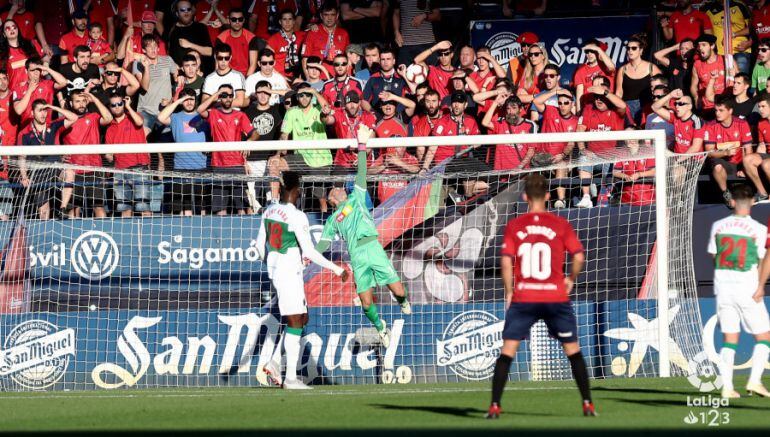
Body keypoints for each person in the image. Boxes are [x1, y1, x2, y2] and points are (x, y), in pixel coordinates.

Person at [486, 173, 594, 419]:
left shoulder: (515, 225)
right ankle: (587, 403)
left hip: (525, 297)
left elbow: (506, 261)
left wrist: (509, 291)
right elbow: (579, 256)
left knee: (508, 350)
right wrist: (570, 278)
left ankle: (494, 405)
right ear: (547, 195)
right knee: (572, 349)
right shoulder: (560, 224)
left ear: (525, 197)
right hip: (555, 296)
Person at [315, 125, 411, 348]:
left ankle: (403, 301)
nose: (340, 188)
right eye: (335, 189)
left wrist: (362, 145)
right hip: (357, 255)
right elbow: (323, 244)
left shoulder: (356, 197)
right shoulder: (332, 220)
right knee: (366, 302)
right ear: (331, 199)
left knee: (398, 291)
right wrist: (308, 257)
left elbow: (361, 171)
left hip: (372, 247)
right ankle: (380, 327)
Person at [256, 171, 349, 390]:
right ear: (296, 190)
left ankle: (274, 362)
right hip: (289, 273)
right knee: (296, 321)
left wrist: (272, 263)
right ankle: (290, 379)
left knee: (302, 317)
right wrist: (336, 269)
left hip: (279, 271)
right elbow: (310, 251)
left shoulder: (269, 211)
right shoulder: (297, 216)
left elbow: (260, 247)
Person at [710, 184, 770, 398]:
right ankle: (754, 381)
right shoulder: (758, 229)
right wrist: (760, 286)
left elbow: (714, 255)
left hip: (724, 288)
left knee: (729, 339)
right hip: (748, 288)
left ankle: (727, 387)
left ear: (732, 202)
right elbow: (763, 259)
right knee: (764, 337)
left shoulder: (718, 225)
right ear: (753, 201)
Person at [197, 84, 260, 215]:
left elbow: (255, 133)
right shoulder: (213, 114)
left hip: (237, 165)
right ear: (220, 97)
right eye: (224, 95)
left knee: (243, 208)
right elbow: (200, 109)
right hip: (219, 165)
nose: (228, 98)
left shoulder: (240, 115)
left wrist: (249, 142)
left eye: (230, 95)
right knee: (220, 209)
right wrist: (216, 94)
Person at [17, 100, 79, 220]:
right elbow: (21, 157)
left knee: (69, 172)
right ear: (32, 113)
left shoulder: (53, 125)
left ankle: (62, 208)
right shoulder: (24, 133)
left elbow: (74, 118)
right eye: (40, 110)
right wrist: (24, 176)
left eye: (45, 110)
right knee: (44, 213)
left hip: (54, 168)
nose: (43, 113)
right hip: (37, 173)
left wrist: (53, 107)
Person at [575, 78, 629, 208]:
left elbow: (623, 106)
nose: (598, 100)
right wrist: (582, 149)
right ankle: (586, 197)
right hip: (592, 155)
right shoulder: (589, 108)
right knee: (582, 158)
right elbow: (580, 130)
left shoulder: (616, 110)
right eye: (596, 97)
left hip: (610, 156)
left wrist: (605, 92)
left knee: (612, 163)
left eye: (602, 97)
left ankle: (603, 198)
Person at [105, 94, 160, 218]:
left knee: (143, 208)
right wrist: (108, 156)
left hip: (139, 168)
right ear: (109, 108)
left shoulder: (134, 117)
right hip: (120, 171)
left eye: (120, 103)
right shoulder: (110, 129)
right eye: (113, 105)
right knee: (124, 209)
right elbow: (109, 155)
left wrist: (129, 107)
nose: (117, 107)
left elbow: (140, 122)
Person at [60, 90, 113, 219]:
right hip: (74, 171)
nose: (81, 104)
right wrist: (60, 156)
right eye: (77, 101)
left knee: (98, 207)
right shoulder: (65, 121)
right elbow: (54, 140)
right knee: (73, 209)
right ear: (71, 103)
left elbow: (109, 118)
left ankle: (103, 231)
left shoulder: (93, 117)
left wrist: (94, 99)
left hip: (94, 169)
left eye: (84, 101)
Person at [157, 89, 210, 215]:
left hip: (200, 166)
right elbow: (160, 117)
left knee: (201, 207)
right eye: (186, 100)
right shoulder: (175, 117)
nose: (189, 102)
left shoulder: (202, 116)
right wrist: (178, 101)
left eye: (192, 99)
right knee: (182, 208)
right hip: (181, 167)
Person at [703, 96, 753, 208]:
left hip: (739, 163)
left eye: (721, 110)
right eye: (716, 110)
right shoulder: (710, 126)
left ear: (730, 111)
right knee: (717, 166)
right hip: (722, 162)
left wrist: (746, 168)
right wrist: (725, 153)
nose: (717, 113)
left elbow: (748, 149)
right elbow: (709, 152)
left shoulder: (742, 124)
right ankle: (725, 193)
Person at [534, 89, 579, 208]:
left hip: (560, 158)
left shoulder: (576, 121)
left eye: (566, 103)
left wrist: (562, 155)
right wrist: (556, 91)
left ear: (572, 104)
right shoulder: (551, 111)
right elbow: (536, 101)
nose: (562, 106)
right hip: (542, 157)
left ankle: (561, 200)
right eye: (560, 103)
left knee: (562, 164)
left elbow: (571, 144)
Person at [133, 35, 179, 131]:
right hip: (146, 111)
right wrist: (146, 67)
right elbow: (144, 87)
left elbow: (177, 79)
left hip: (165, 111)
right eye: (149, 46)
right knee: (143, 138)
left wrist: (172, 100)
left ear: (158, 48)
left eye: (155, 46)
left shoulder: (167, 60)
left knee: (166, 139)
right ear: (144, 50)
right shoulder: (137, 63)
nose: (153, 49)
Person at [615, 34, 660, 126]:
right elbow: (618, 93)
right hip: (628, 109)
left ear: (641, 50)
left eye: (634, 48)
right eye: (628, 48)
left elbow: (661, 90)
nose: (630, 51)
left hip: (647, 108)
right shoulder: (622, 70)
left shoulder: (652, 68)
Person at [302, 3, 349, 78]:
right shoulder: (313, 33)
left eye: (332, 15)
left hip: (339, 79)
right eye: (326, 15)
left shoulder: (344, 33)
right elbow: (305, 59)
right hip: (319, 79)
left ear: (337, 16)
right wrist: (310, 81)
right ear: (321, 16)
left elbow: (348, 58)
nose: (329, 18)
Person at [392, 0, 440, 66]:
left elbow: (437, 15)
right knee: (405, 71)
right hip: (406, 43)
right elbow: (396, 13)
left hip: (427, 43)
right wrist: (396, 32)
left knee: (431, 71)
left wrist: (424, 16)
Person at [573, 39, 616, 112]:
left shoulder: (605, 66)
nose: (589, 54)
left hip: (607, 107)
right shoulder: (580, 72)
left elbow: (612, 67)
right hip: (590, 110)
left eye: (592, 51)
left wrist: (598, 49)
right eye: (587, 51)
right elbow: (579, 96)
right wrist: (579, 113)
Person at [691, 33, 725, 118]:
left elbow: (739, 78)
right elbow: (693, 85)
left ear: (712, 46)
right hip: (707, 108)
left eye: (704, 45)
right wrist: (696, 98)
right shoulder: (697, 64)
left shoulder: (725, 60)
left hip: (724, 106)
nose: (700, 48)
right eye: (699, 45)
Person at [743, 95, 770, 202]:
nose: (760, 109)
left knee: (766, 164)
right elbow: (762, 147)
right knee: (747, 159)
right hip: (768, 155)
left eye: (763, 106)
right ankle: (763, 193)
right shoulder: (761, 123)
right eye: (759, 107)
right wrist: (746, 168)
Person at [202, 43, 247, 108]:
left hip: (233, 112)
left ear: (230, 58)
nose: (223, 61)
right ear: (215, 57)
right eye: (220, 58)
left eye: (226, 58)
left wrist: (215, 103)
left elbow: (240, 102)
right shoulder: (209, 78)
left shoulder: (238, 76)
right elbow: (203, 102)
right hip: (215, 113)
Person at [265, 9, 305, 80]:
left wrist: (314, 27)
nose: (287, 22)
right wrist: (281, 78)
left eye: (290, 19)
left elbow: (314, 34)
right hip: (276, 76)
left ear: (294, 21)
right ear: (280, 22)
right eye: (284, 19)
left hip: (294, 76)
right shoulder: (273, 39)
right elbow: (266, 63)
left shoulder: (301, 36)